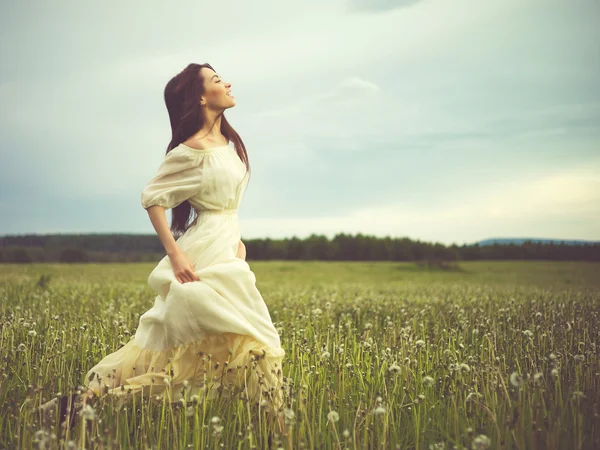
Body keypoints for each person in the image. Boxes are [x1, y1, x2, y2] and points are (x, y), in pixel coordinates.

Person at [39, 63, 287, 436]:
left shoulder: (230, 144)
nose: (228, 83)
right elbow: (153, 197)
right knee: (253, 339)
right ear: (201, 97)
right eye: (218, 80)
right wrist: (175, 253)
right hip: (202, 256)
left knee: (222, 348)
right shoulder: (192, 151)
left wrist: (236, 239)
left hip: (226, 248)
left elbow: (225, 202)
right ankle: (281, 431)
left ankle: (85, 404)